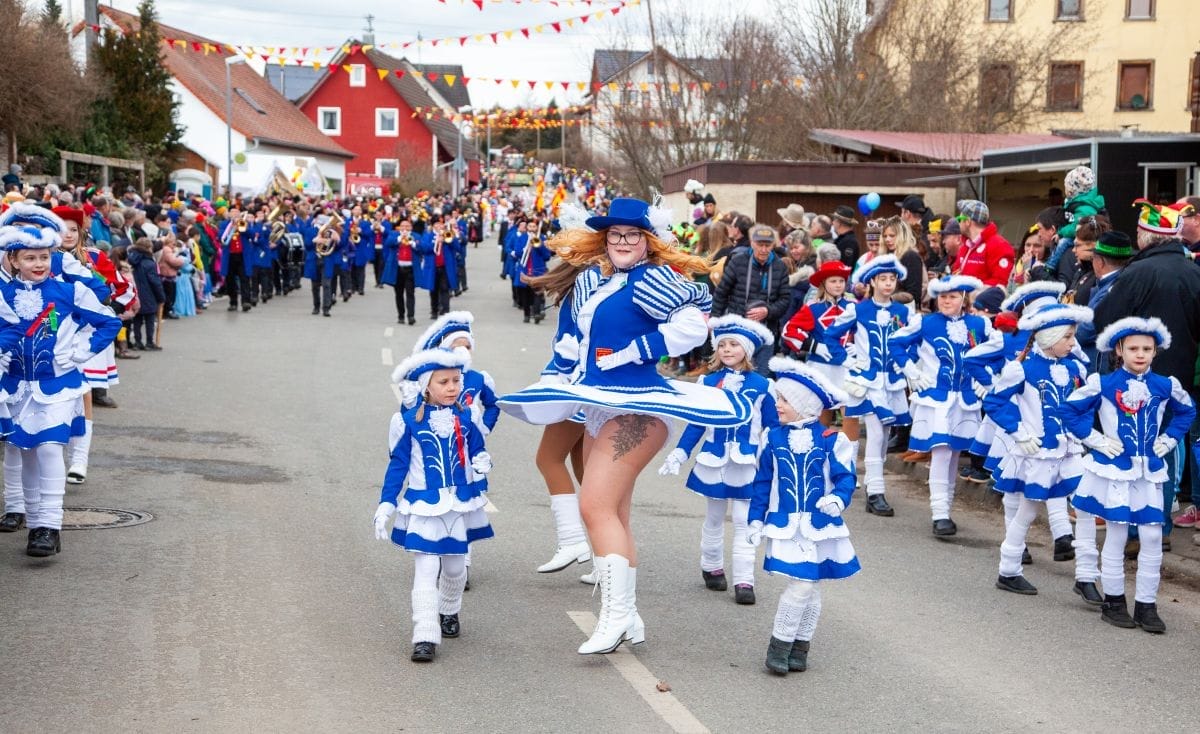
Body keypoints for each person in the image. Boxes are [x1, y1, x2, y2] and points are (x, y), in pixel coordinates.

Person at [497, 197, 750, 655]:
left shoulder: (652, 278)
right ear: (605, 239)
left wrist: (639, 349)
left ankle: (613, 616)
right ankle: (628, 616)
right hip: (599, 402)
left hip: (637, 406)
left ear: (647, 240)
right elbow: (580, 340)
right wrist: (563, 376)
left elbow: (694, 326)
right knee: (614, 512)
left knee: (594, 505)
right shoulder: (605, 280)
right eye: (615, 234)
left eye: (633, 234)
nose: (623, 241)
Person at [0, 207, 121, 557]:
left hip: (58, 386)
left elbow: (109, 321)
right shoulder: (4, 295)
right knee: (26, 453)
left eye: (44, 257)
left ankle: (49, 526)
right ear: (13, 260)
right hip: (17, 388)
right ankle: (32, 521)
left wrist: (82, 351)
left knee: (50, 448)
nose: (39, 263)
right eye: (30, 258)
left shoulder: (69, 291)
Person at [1064, 317, 1196, 633]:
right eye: (1133, 348)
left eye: (1147, 349)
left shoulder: (1165, 385)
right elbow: (1069, 410)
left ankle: (1147, 605)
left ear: (1155, 352)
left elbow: (1188, 411)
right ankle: (1114, 602)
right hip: (1115, 471)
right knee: (1117, 534)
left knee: (1152, 536)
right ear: (1120, 350)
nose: (1140, 354)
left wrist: (1169, 439)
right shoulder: (1104, 383)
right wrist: (1096, 440)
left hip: (1149, 472)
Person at [372, 348, 494, 663]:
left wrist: (482, 462)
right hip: (424, 508)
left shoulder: (467, 417)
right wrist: (386, 505)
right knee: (426, 570)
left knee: (455, 569)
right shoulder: (407, 422)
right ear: (426, 386)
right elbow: (397, 466)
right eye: (444, 382)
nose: (453, 387)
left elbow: (478, 449)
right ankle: (424, 635)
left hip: (458, 506)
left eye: (456, 380)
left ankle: (449, 609)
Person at [1093, 200, 1200, 541]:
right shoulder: (1194, 272)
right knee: (1164, 451)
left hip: (1136, 379)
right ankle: (1158, 529)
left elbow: (1104, 319)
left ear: (1146, 236)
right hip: (1180, 375)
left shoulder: (1138, 272)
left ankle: (1134, 530)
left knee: (1133, 449)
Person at [748, 358, 860, 676]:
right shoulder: (772, 438)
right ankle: (783, 646)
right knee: (804, 585)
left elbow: (845, 477)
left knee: (809, 586)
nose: (778, 405)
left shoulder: (830, 440)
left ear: (804, 404)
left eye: (784, 400)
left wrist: (838, 499)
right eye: (778, 398)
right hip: (787, 525)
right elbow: (762, 483)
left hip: (821, 524)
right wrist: (755, 519)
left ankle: (795, 646)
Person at [659, 316, 777, 605]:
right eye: (722, 345)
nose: (727, 349)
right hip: (714, 460)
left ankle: (744, 580)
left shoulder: (763, 386)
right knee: (714, 516)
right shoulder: (708, 382)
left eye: (734, 344)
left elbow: (772, 427)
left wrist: (777, 459)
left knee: (744, 519)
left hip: (747, 463)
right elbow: (697, 423)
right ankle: (711, 565)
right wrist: (680, 453)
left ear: (747, 350)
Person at [987, 302, 1093, 596]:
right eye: (1067, 337)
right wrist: (1019, 433)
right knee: (1027, 511)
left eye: (1073, 336)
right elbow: (994, 402)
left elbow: (1084, 406)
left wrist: (1087, 435)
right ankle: (1009, 570)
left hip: (1071, 451)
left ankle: (1086, 576)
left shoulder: (1075, 367)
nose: (1073, 343)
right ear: (1049, 337)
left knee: (1085, 505)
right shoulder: (1022, 369)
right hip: (1039, 454)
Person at [889, 274, 993, 536]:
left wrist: (988, 378)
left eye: (953, 297)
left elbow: (997, 351)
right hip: (936, 399)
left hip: (965, 400)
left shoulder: (979, 324)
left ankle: (945, 510)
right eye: (943, 297)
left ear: (964, 298)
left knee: (954, 454)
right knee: (942, 452)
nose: (947, 301)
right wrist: (912, 371)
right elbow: (895, 343)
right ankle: (940, 514)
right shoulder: (925, 322)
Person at [842, 255, 911, 517]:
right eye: (883, 279)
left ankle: (874, 482)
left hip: (892, 382)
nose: (888, 283)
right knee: (876, 433)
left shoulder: (902, 312)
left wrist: (906, 363)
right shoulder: (859, 309)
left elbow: (912, 342)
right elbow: (831, 335)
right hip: (868, 380)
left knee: (885, 434)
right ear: (872, 282)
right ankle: (875, 493)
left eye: (892, 279)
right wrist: (849, 359)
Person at [711, 224, 791, 375]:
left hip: (766, 331)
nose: (764, 249)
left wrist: (767, 311)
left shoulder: (780, 266)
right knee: (735, 373)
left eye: (768, 245)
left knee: (761, 375)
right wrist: (714, 319)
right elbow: (721, 292)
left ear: (773, 245)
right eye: (760, 245)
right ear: (752, 243)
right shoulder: (738, 262)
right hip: (738, 329)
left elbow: (785, 299)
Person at [782, 260, 856, 421]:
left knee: (851, 414)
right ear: (823, 283)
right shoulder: (813, 307)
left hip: (848, 367)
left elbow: (865, 332)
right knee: (821, 415)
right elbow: (788, 331)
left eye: (841, 281)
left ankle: (849, 441)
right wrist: (814, 346)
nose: (838, 285)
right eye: (833, 281)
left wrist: (857, 347)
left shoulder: (854, 306)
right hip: (821, 368)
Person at [953, 199, 1014, 288]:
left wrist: (969, 291)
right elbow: (956, 272)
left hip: (982, 297)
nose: (958, 223)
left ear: (967, 222)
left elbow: (1000, 282)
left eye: (959, 219)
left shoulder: (999, 246)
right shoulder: (966, 246)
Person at [127, 237, 165, 350]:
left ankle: (138, 341)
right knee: (149, 319)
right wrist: (161, 297)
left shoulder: (131, 261)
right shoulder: (149, 263)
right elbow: (155, 282)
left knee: (137, 319)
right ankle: (149, 342)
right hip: (149, 295)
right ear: (148, 248)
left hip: (135, 294)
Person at [381, 216, 416, 325]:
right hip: (398, 269)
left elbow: (423, 248)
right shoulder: (394, 235)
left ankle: (411, 316)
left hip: (410, 269)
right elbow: (388, 243)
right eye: (403, 226)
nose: (405, 228)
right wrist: (400, 238)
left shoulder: (415, 236)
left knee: (410, 293)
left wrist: (413, 243)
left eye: (407, 226)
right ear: (399, 227)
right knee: (399, 293)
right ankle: (401, 315)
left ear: (411, 227)